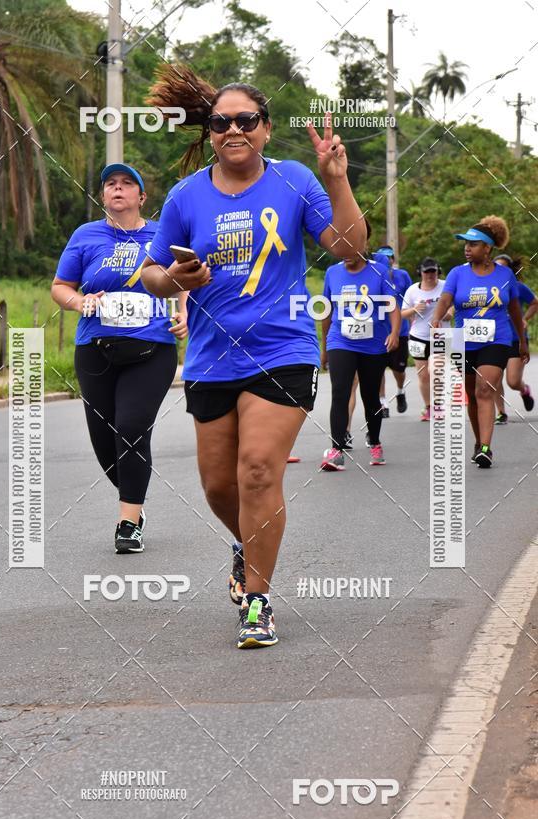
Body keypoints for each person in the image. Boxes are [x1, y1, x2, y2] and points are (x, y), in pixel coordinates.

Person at [141, 66, 366, 648]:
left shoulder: (293, 180)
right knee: (220, 487)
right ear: (210, 130)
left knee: (259, 470)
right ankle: (246, 543)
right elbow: (151, 276)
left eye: (246, 120)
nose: (233, 129)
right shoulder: (187, 195)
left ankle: (258, 603)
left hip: (284, 348)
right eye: (221, 122)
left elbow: (350, 252)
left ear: (265, 129)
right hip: (212, 357)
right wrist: (176, 276)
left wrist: (337, 181)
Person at [51, 163, 188, 552]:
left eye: (127, 184)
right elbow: (61, 286)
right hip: (95, 349)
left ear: (141, 197)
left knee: (131, 427)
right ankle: (135, 492)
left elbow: (182, 278)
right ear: (103, 195)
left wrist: (184, 315)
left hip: (152, 347)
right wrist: (80, 301)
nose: (118, 189)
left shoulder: (162, 234)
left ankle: (128, 521)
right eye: (110, 183)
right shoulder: (85, 235)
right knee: (104, 441)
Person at [430, 217, 529, 468]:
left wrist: (522, 342)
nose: (466, 248)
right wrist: (435, 320)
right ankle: (478, 441)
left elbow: (515, 310)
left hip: (497, 340)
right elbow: (445, 300)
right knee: (472, 395)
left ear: (487, 248)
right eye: (465, 243)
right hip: (463, 341)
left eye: (472, 244)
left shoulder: (505, 275)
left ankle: (486, 448)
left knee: (485, 389)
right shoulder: (457, 273)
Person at [319, 241, 400, 470]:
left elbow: (392, 305)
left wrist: (394, 332)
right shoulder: (332, 272)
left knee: (370, 396)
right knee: (340, 392)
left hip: (373, 343)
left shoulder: (379, 271)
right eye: (340, 251)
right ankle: (336, 449)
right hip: (340, 339)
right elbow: (326, 311)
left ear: (361, 246)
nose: (344, 255)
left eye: (350, 249)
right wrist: (324, 348)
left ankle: (374, 442)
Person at [401, 257, 448, 421]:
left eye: (433, 271)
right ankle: (429, 407)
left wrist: (450, 313)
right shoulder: (413, 290)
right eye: (426, 272)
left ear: (438, 271)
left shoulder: (445, 286)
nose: (430, 275)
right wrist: (414, 309)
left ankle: (439, 404)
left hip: (441, 335)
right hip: (418, 336)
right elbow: (402, 313)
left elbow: (456, 302)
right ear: (420, 273)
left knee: (436, 370)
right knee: (423, 375)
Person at [493, 254, 537, 423]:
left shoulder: (518, 287)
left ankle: (524, 389)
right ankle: (501, 412)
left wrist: (525, 318)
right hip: (494, 338)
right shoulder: (488, 289)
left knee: (512, 381)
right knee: (494, 378)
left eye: (504, 268)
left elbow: (535, 303)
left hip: (515, 339)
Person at [375, 245, 413, 415]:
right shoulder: (374, 276)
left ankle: (400, 391)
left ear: (393, 259)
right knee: (378, 369)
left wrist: (413, 326)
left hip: (400, 330)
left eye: (389, 257)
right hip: (378, 330)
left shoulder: (402, 275)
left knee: (399, 369)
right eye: (382, 258)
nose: (386, 261)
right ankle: (383, 402)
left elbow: (411, 299)